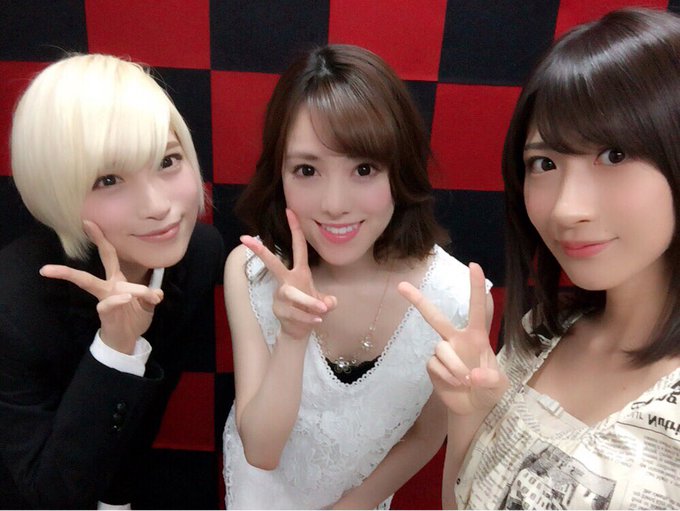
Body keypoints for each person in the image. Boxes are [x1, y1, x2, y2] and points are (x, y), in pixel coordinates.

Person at [399, 7, 680, 510]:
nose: (567, 209)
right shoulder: (540, 335)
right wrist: (468, 413)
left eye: (614, 155)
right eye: (545, 163)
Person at [221, 44, 493, 509]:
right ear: (279, 174)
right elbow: (261, 452)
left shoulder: (455, 301)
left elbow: (426, 436)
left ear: (399, 169)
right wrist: (292, 336)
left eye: (364, 169)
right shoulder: (251, 272)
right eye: (307, 170)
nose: (334, 204)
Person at [0, 54, 225, 508]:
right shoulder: (13, 304)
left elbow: (143, 415)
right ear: (54, 190)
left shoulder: (199, 254)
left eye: (168, 160)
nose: (157, 206)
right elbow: (47, 493)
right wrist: (115, 349)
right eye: (108, 179)